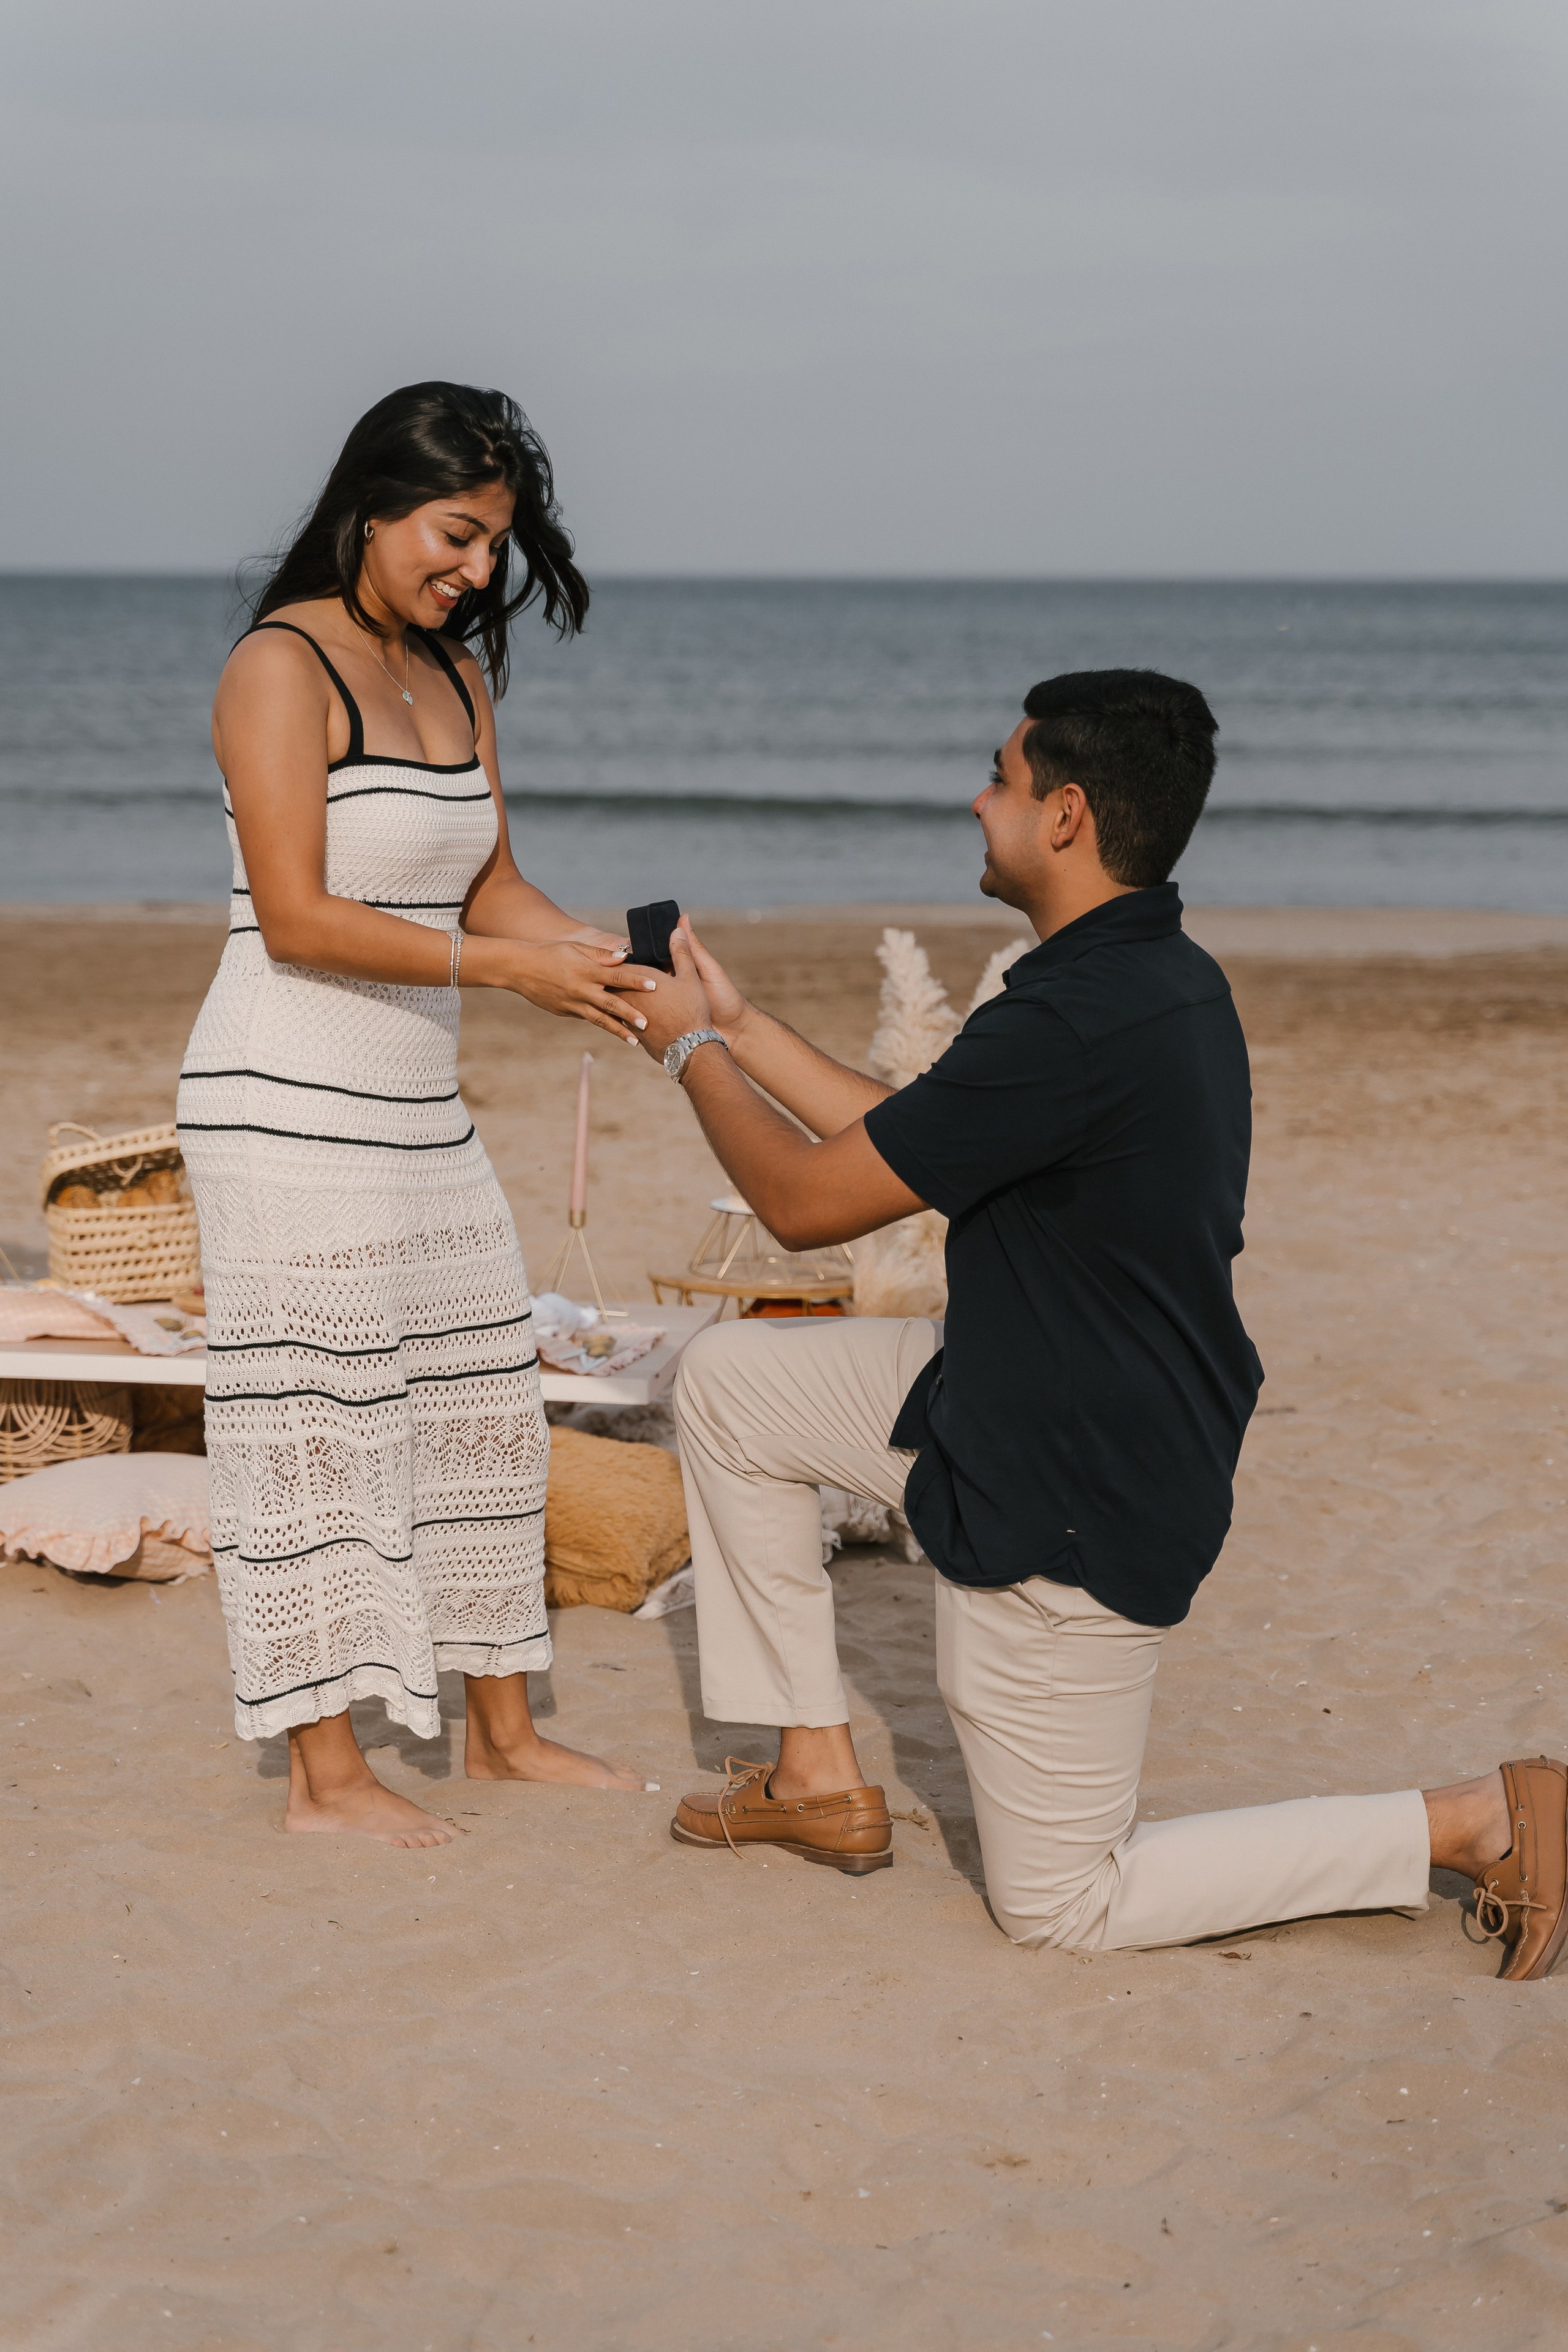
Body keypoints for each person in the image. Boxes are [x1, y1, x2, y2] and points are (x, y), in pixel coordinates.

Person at [627, 668, 1564, 1980]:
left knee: (1065, 1902)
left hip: (1076, 1477)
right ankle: (814, 1772)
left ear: (1063, 815)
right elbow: (903, 1138)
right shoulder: (1143, 978)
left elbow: (798, 1205)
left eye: (999, 778)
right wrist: (733, 1021)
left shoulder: (1070, 1019)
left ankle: (1469, 1818)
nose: (975, 798)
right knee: (732, 1379)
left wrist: (683, 1055)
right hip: (1018, 1395)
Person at [179, 382, 662, 1845]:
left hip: (413, 1103)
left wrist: (585, 953)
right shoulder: (279, 668)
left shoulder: (456, 677)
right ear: (371, 508)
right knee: (310, 1434)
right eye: (454, 536)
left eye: (493, 547)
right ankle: (327, 1781)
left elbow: (486, 880)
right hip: (281, 1098)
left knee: (479, 1414)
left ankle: (501, 1736)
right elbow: (300, 916)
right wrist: (501, 968)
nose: (472, 571)